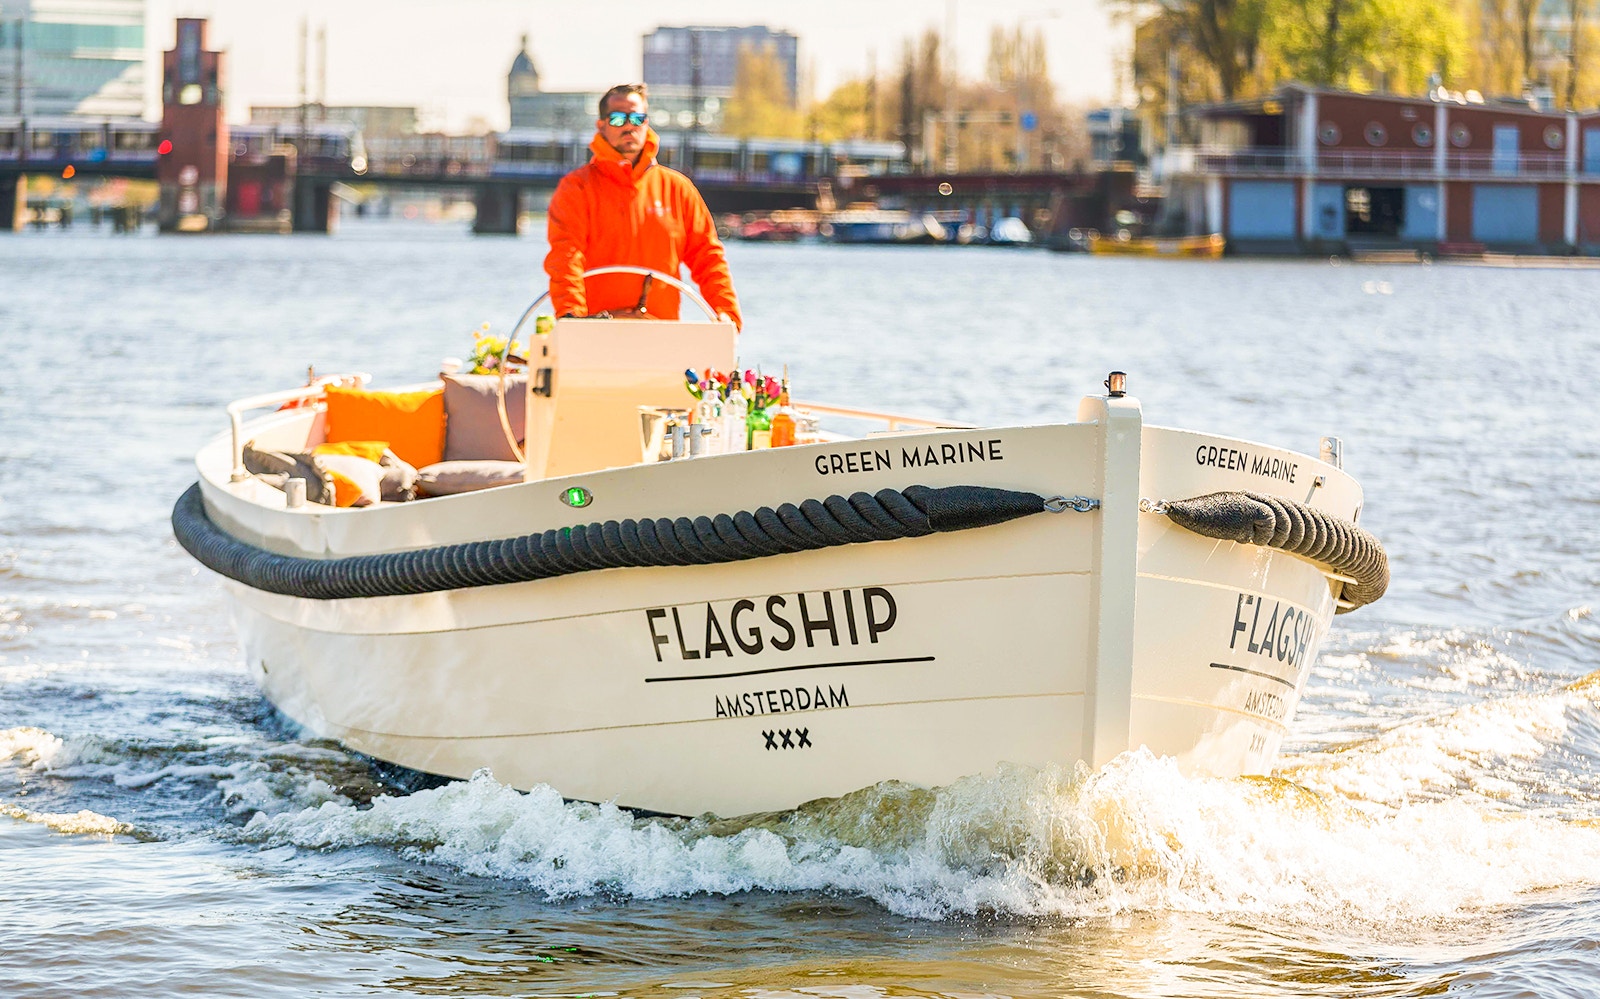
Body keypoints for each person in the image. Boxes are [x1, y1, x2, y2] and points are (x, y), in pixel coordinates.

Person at [544, 83, 742, 329]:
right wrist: (571, 316)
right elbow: (565, 257)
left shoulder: (677, 189)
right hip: (595, 331)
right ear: (601, 125)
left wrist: (726, 314)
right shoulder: (576, 188)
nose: (629, 126)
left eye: (637, 118)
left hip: (662, 333)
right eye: (618, 118)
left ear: (647, 122)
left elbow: (708, 257)